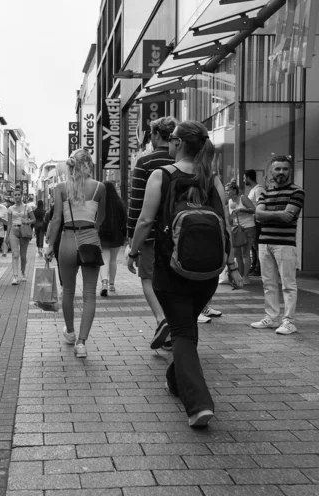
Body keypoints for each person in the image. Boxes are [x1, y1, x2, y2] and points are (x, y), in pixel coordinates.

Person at [126, 120, 242, 427]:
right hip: (208, 272)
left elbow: (145, 221)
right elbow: (227, 227)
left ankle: (199, 403)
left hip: (171, 269)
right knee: (186, 329)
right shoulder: (212, 178)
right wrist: (231, 266)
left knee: (182, 333)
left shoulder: (160, 175)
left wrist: (133, 251)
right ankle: (175, 381)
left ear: (177, 144)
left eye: (173, 139)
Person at [45, 148, 106, 359]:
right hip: (89, 238)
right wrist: (92, 232)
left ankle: (70, 332)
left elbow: (56, 219)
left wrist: (49, 245)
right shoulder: (100, 187)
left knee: (68, 290)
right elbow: (101, 217)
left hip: (68, 240)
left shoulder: (61, 187)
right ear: (88, 164)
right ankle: (82, 343)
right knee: (89, 294)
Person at [127, 116, 177, 350]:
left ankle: (161, 319)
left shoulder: (145, 162)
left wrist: (132, 243)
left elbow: (137, 205)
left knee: (148, 279)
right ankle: (174, 329)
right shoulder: (184, 160)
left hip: (152, 234)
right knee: (175, 279)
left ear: (156, 135)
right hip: (180, 233)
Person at [251, 155, 304, 335]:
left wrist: (267, 214)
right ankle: (272, 318)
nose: (281, 172)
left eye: (285, 169)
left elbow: (289, 215)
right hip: (264, 243)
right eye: (277, 169)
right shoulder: (265, 191)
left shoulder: (297, 192)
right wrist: (278, 214)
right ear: (270, 171)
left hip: (285, 244)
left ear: (290, 171)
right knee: (268, 283)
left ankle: (289, 321)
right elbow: (257, 216)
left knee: (288, 284)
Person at [99, 181, 126, 296]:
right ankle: (112, 284)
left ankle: (104, 282)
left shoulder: (100, 202)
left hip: (103, 234)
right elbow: (124, 219)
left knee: (104, 259)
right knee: (113, 260)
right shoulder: (119, 203)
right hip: (117, 235)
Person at [226, 181, 256, 285]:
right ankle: (240, 275)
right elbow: (231, 216)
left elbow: (253, 209)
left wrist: (241, 209)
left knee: (245, 253)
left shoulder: (243, 198)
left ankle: (246, 277)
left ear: (234, 191)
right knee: (237, 253)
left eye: (227, 190)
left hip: (247, 228)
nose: (226, 193)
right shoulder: (230, 201)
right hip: (237, 230)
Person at [6, 190, 36, 285]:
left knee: (23, 256)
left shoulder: (28, 207)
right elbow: (9, 223)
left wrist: (26, 222)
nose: (17, 196)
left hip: (24, 231)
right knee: (15, 254)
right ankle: (15, 276)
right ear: (13, 196)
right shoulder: (10, 208)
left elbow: (34, 219)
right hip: (13, 231)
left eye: (19, 194)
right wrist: (7, 236)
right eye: (15, 195)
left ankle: (23, 272)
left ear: (22, 196)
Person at [245, 169, 265, 276]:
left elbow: (261, 205)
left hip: (257, 221)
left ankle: (259, 268)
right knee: (253, 245)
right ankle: (254, 266)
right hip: (252, 221)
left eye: (244, 178)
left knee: (257, 245)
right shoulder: (253, 189)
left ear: (248, 178)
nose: (244, 180)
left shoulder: (258, 189)